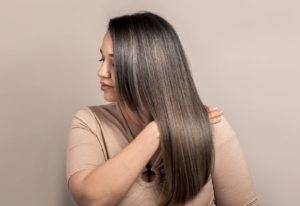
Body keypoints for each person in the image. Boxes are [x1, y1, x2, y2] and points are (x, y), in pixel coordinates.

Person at [66, 11, 258, 206]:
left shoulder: (212, 125)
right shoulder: (89, 122)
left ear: (148, 68)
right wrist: (158, 130)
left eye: (114, 63)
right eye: (102, 60)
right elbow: (89, 198)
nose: (101, 72)